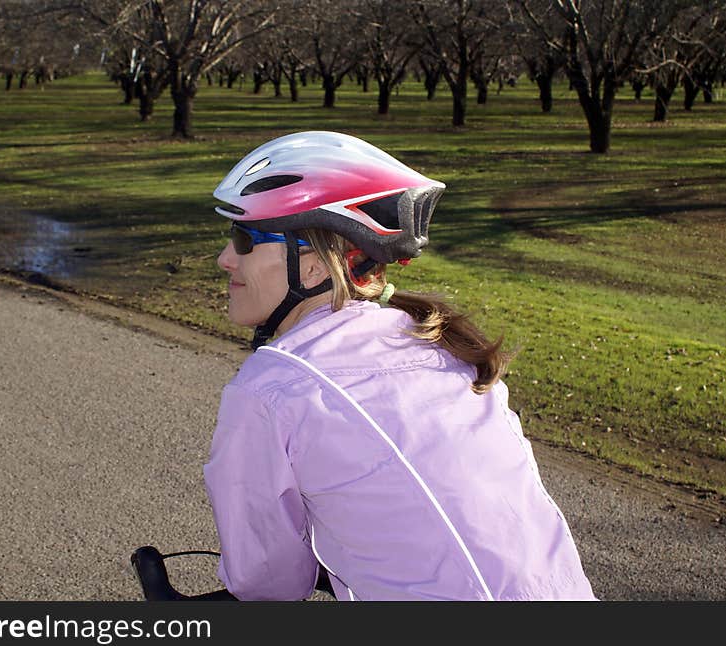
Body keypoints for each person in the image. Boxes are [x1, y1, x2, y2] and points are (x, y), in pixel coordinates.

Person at [203, 131, 595, 601]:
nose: (225, 259)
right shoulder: (443, 348)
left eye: (244, 240)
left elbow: (268, 582)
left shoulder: (272, 389)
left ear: (313, 266)